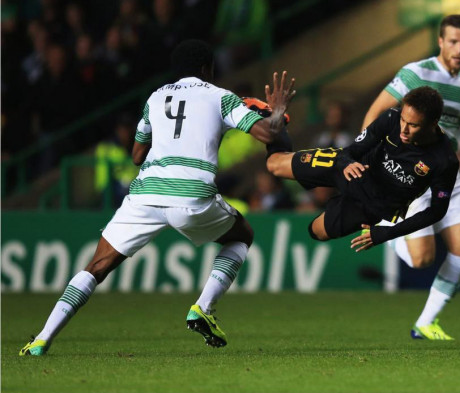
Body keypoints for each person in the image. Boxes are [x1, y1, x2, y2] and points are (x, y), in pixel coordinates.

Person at [19, 39, 296, 356]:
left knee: (96, 266)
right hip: (192, 192)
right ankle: (203, 307)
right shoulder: (220, 96)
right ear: (207, 69)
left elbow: (137, 155)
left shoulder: (155, 97)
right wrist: (277, 111)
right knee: (242, 236)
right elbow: (268, 134)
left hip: (146, 193)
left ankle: (43, 337)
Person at [362, 14, 460, 340]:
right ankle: (389, 228)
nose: (459, 48)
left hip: (448, 174)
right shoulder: (415, 73)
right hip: (412, 174)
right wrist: (370, 158)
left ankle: (425, 322)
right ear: (440, 41)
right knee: (422, 260)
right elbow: (375, 112)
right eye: (453, 41)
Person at [266, 86, 459, 252]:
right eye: (403, 120)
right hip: (352, 169)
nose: (404, 130)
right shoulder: (392, 118)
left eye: (413, 125)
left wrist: (387, 233)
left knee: (316, 232)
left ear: (433, 123)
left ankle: (336, 208)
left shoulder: (445, 160)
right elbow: (351, 151)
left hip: (375, 203)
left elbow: (437, 211)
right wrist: (346, 162)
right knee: (273, 165)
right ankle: (276, 115)